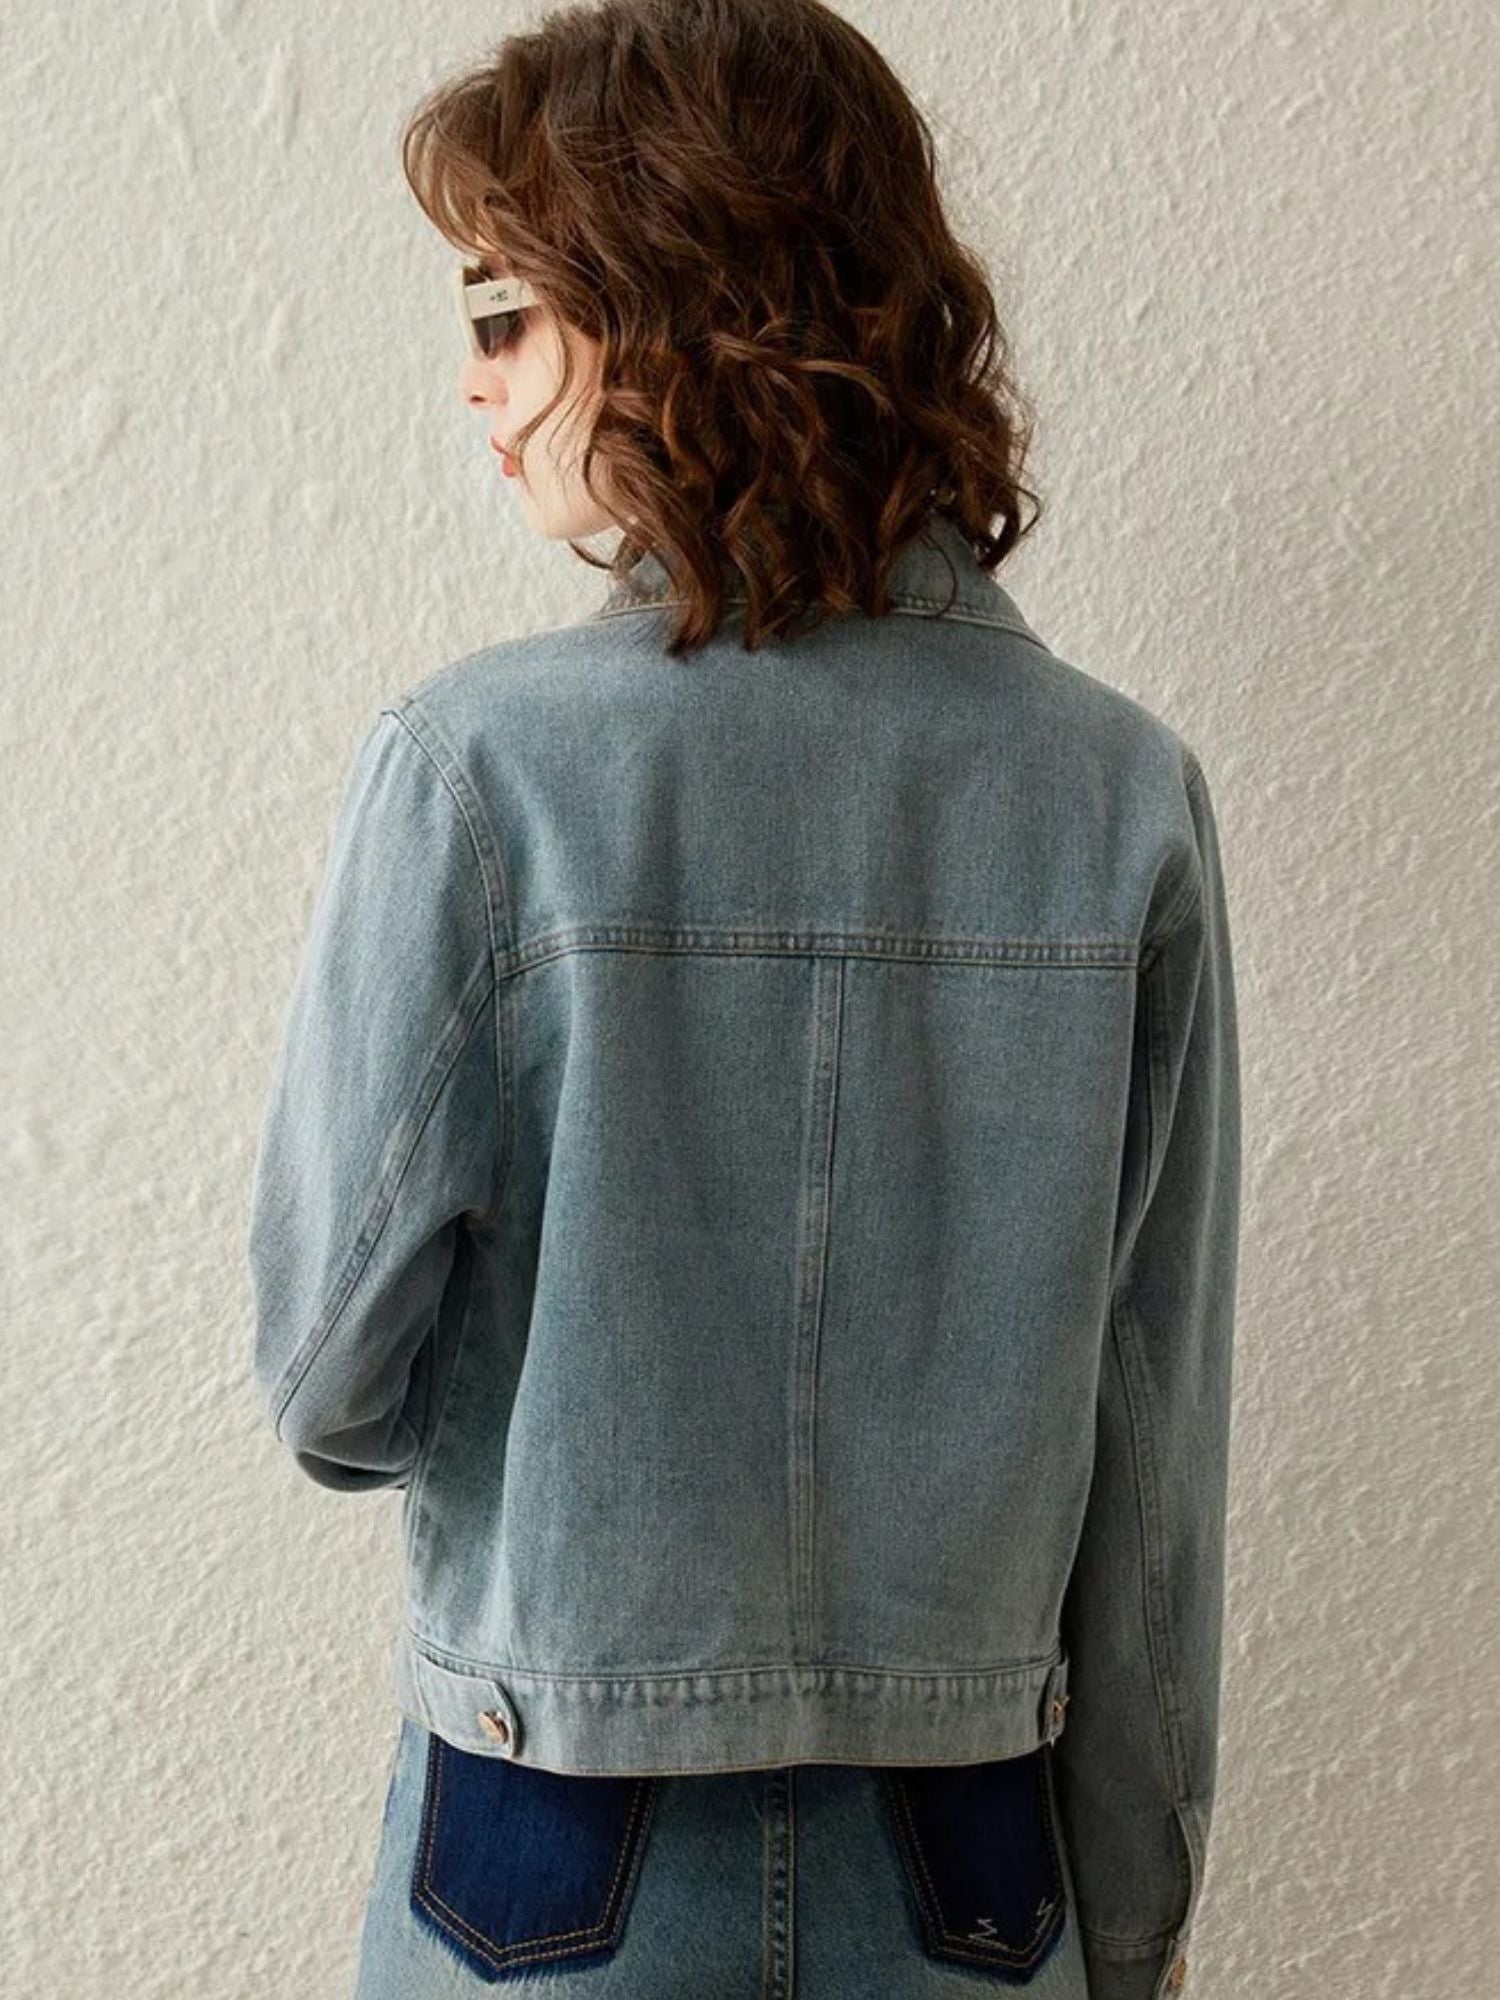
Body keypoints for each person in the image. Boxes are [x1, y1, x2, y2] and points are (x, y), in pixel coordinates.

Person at [245, 4, 1242, 1996]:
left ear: (675, 299)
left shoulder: (478, 771)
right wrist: (1128, 1931)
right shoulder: (1120, 794)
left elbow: (326, 1378)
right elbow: (1152, 1471)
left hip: (544, 1856)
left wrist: (582, 1420)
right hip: (969, 1869)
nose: (474, 386)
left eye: (509, 316)